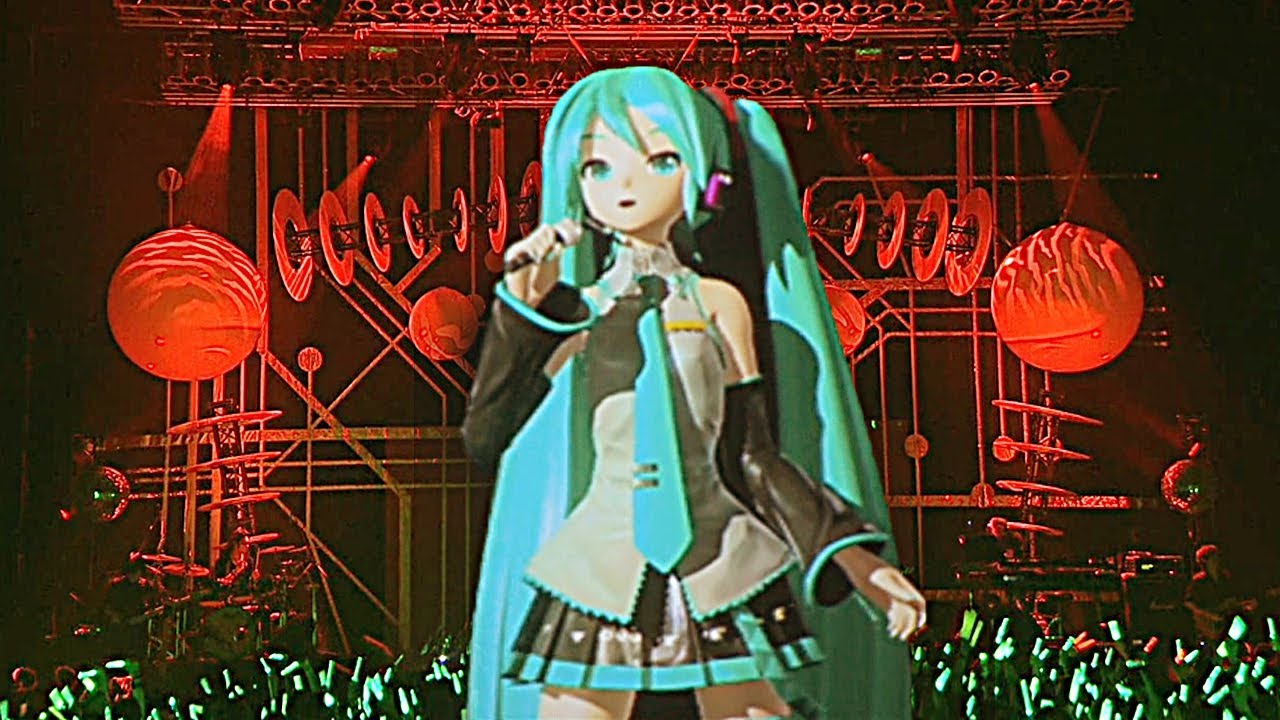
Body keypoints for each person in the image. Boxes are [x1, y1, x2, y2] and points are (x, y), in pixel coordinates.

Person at [463, 66, 925, 719]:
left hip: (718, 560)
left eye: (660, 160)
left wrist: (855, 559)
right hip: (600, 563)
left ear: (705, 177)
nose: (625, 184)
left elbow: (753, 454)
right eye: (598, 166)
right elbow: (488, 435)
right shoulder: (578, 312)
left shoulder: (717, 304)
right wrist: (520, 312)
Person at [1183, 544, 1256, 642]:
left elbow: (1232, 598)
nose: (1218, 560)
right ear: (1205, 561)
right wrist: (1209, 614)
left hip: (1226, 623)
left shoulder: (1225, 577)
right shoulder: (1198, 581)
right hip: (1210, 628)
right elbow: (1189, 603)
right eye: (1214, 557)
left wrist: (1245, 604)